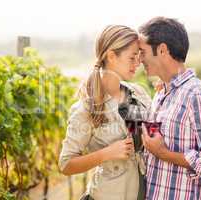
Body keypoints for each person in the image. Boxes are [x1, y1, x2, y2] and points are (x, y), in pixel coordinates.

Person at [137, 17, 201, 200]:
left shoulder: (198, 95)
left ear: (162, 50)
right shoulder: (161, 93)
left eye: (143, 52)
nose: (140, 59)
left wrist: (164, 154)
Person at [58, 25, 151, 200]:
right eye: (132, 57)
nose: (138, 63)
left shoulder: (138, 93)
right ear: (111, 56)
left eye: (138, 56)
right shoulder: (86, 109)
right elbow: (66, 164)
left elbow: (151, 136)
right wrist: (106, 153)